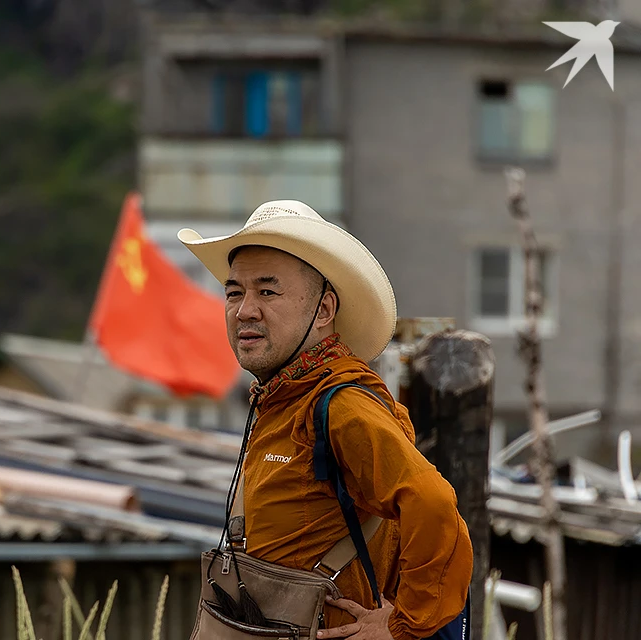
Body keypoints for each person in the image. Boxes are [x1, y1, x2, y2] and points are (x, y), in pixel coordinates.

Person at [178, 200, 473, 640]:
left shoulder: (341, 405)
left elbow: (432, 504)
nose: (245, 310)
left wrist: (400, 627)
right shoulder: (284, 398)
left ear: (323, 310)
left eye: (268, 291)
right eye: (234, 291)